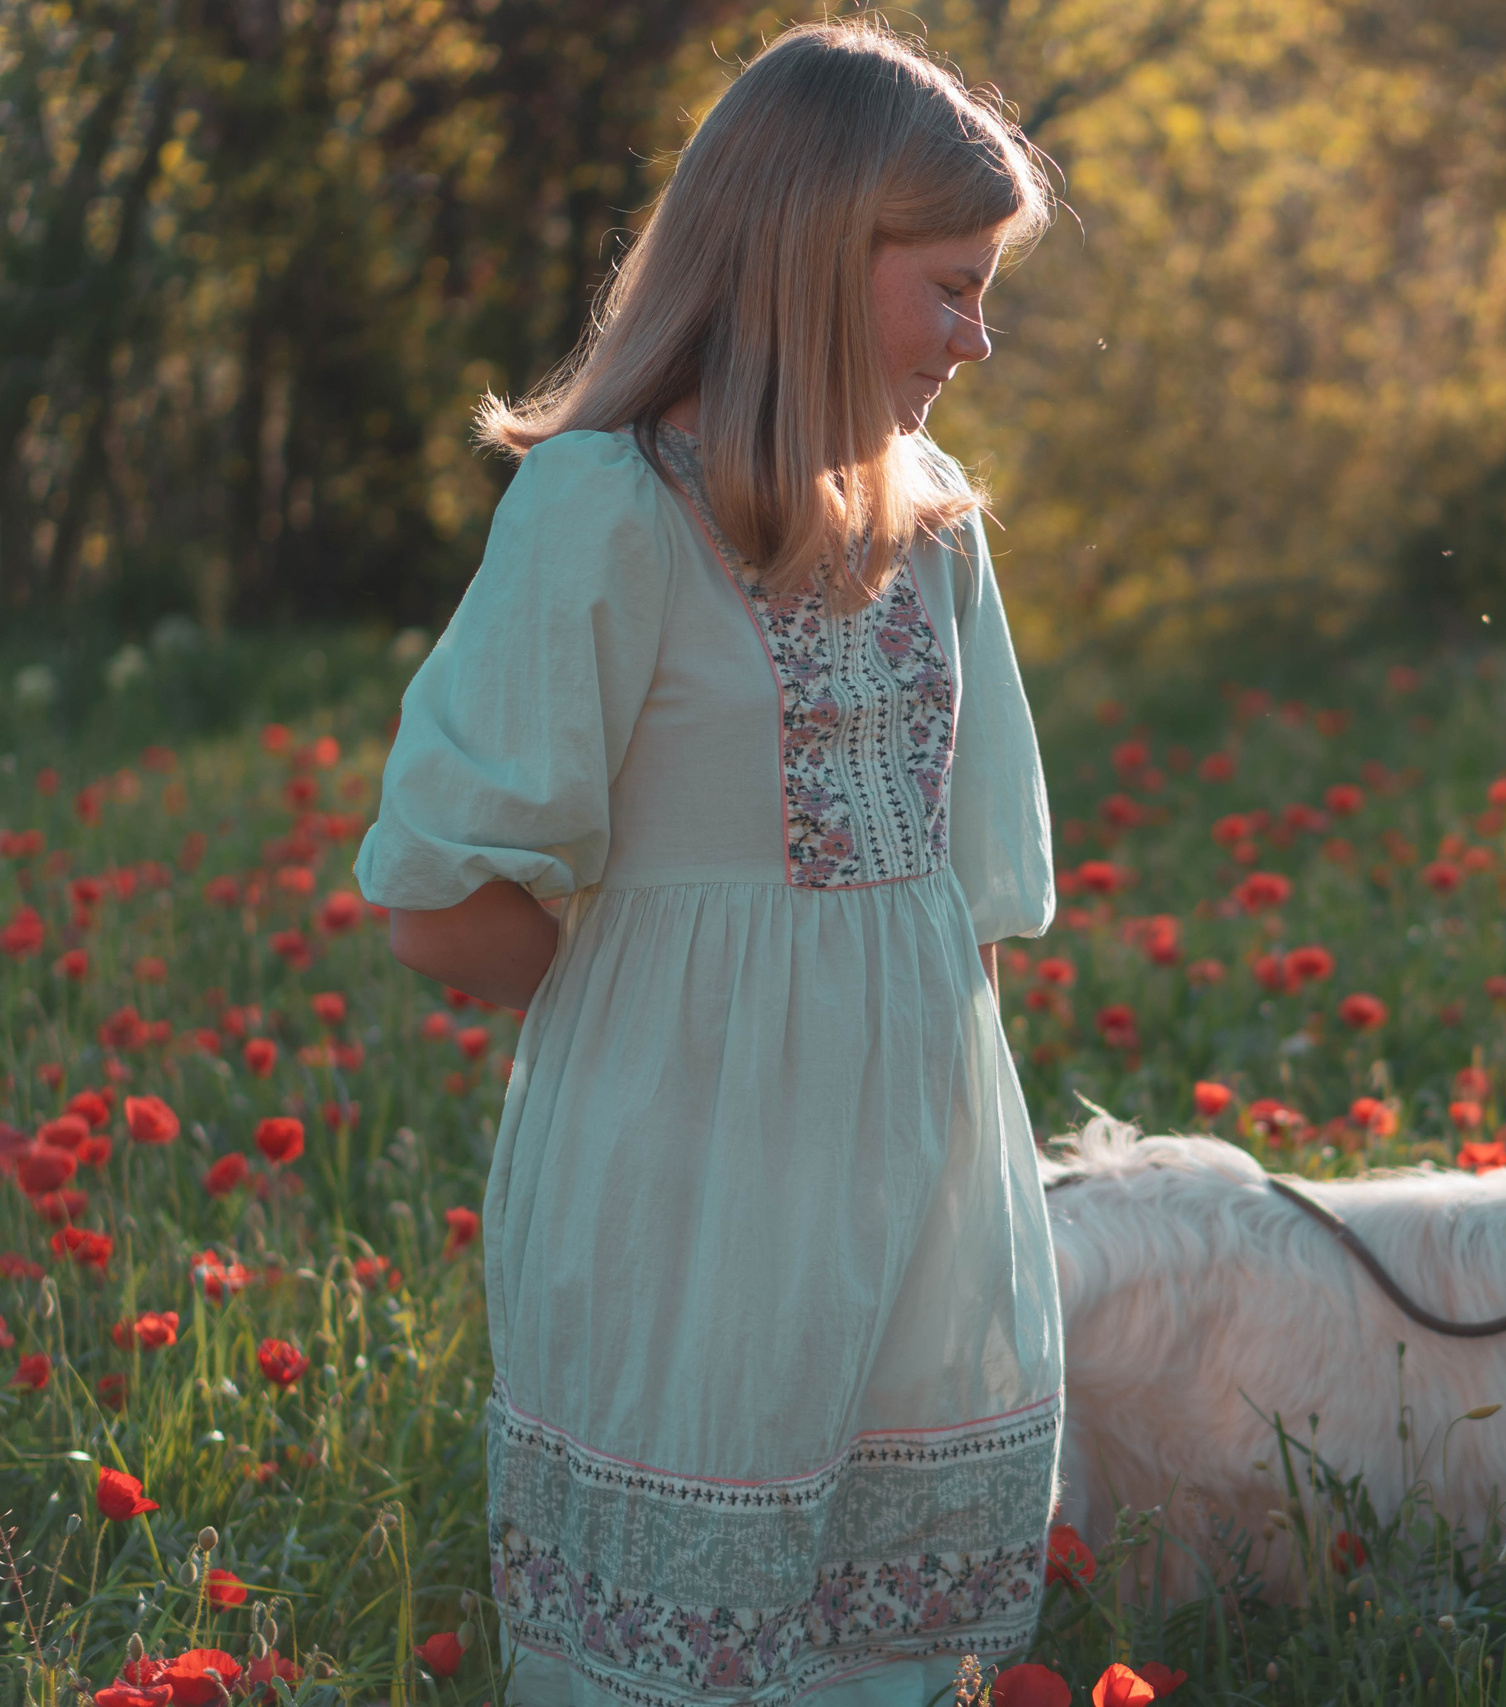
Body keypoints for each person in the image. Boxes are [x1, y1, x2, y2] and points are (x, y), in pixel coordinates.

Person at [352, 22, 1061, 1705]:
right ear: (815, 255)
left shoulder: (931, 524)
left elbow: (967, 898)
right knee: (682, 1653)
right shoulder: (607, 511)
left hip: (902, 1173)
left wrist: (908, 1123)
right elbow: (436, 894)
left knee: (879, 1646)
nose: (978, 338)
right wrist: (658, 1022)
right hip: (681, 1180)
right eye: (952, 289)